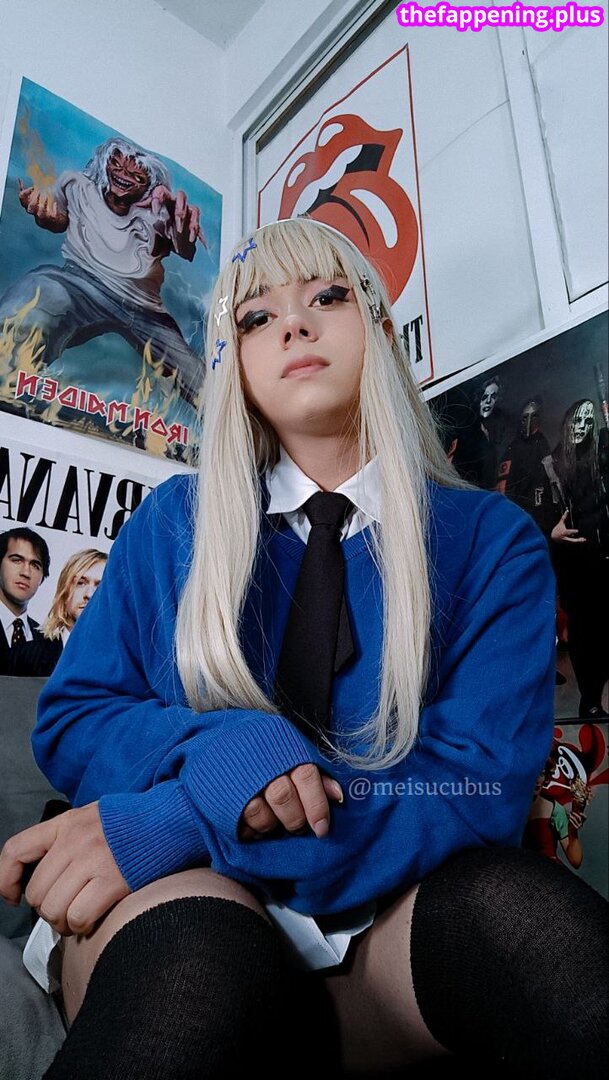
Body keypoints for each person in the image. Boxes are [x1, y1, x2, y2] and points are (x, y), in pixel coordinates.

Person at [0, 219, 606, 1080]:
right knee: (199, 965)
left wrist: (194, 812)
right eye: (256, 317)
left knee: (536, 926)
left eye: (328, 296)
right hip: (176, 892)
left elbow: (471, 787)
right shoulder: (172, 523)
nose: (294, 324)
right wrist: (218, 750)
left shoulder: (489, 540)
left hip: (374, 921)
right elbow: (75, 716)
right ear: (233, 360)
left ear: (382, 331)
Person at [0, 137, 206, 406]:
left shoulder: (156, 212)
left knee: (202, 382)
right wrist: (44, 215)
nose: (123, 176)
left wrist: (182, 225)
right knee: (37, 293)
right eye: (117, 166)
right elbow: (59, 220)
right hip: (79, 284)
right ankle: (8, 379)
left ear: (148, 184)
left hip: (146, 311)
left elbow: (185, 248)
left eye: (136, 176)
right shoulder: (76, 185)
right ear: (105, 162)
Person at [541, 399, 609, 719]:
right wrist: (551, 532)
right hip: (575, 562)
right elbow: (531, 507)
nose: (582, 426)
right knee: (584, 630)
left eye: (588, 420)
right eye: (577, 420)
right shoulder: (553, 463)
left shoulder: (601, 454)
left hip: (604, 555)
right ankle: (590, 699)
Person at [0, 527, 61, 677]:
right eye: (16, 560)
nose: (26, 573)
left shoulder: (48, 642)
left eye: (35, 565)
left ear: (42, 577)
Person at [523, 744, 588, 869]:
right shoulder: (509, 809)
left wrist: (572, 831)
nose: (537, 780)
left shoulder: (555, 810)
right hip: (519, 871)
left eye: (542, 774)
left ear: (547, 778)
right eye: (532, 774)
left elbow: (575, 861)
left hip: (548, 872)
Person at [40, 549, 108, 644]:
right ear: (64, 590)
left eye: (100, 587)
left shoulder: (122, 653)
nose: (89, 594)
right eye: (80, 583)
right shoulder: (28, 651)